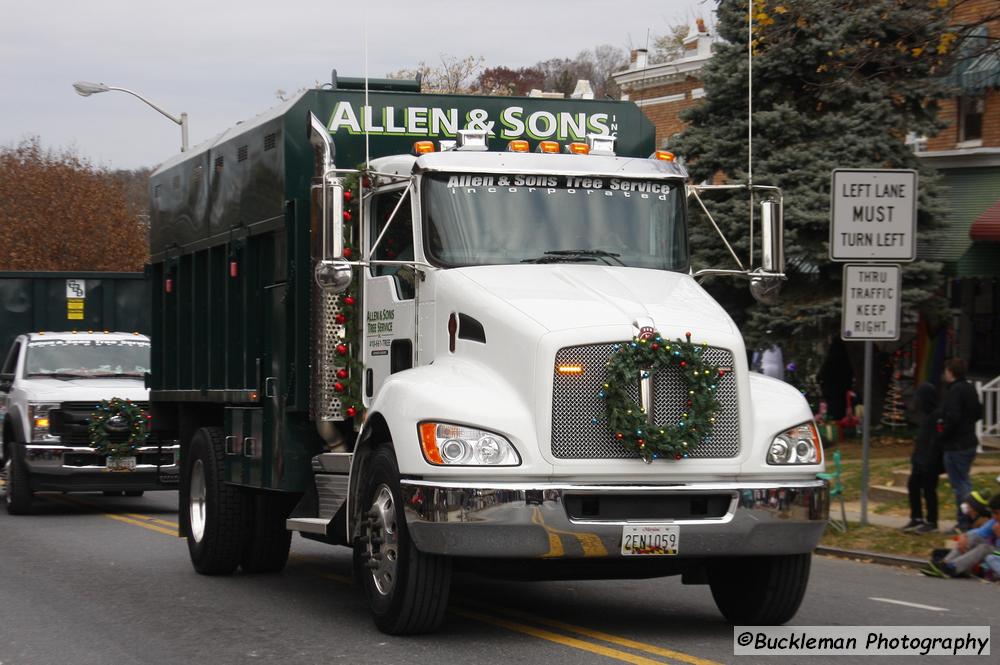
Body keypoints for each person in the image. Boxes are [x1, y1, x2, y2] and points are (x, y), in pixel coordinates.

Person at [938, 358, 983, 532]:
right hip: (969, 441)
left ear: (951, 372)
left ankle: (965, 520)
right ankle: (968, 518)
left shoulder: (955, 391)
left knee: (961, 485)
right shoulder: (970, 388)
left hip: (956, 444)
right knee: (963, 481)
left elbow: (953, 417)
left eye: (946, 371)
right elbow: (978, 412)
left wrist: (944, 433)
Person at [922, 494, 1000, 578]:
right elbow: (979, 533)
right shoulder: (995, 522)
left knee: (985, 548)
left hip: (995, 556)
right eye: (992, 513)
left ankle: (953, 568)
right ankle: (946, 564)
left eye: (996, 513)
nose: (993, 516)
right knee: (973, 538)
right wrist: (965, 536)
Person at [901, 383, 943, 534]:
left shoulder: (937, 416)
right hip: (920, 460)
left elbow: (936, 440)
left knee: (929, 490)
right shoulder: (925, 416)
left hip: (931, 461)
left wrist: (932, 459)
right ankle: (916, 517)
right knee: (913, 485)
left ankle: (932, 521)